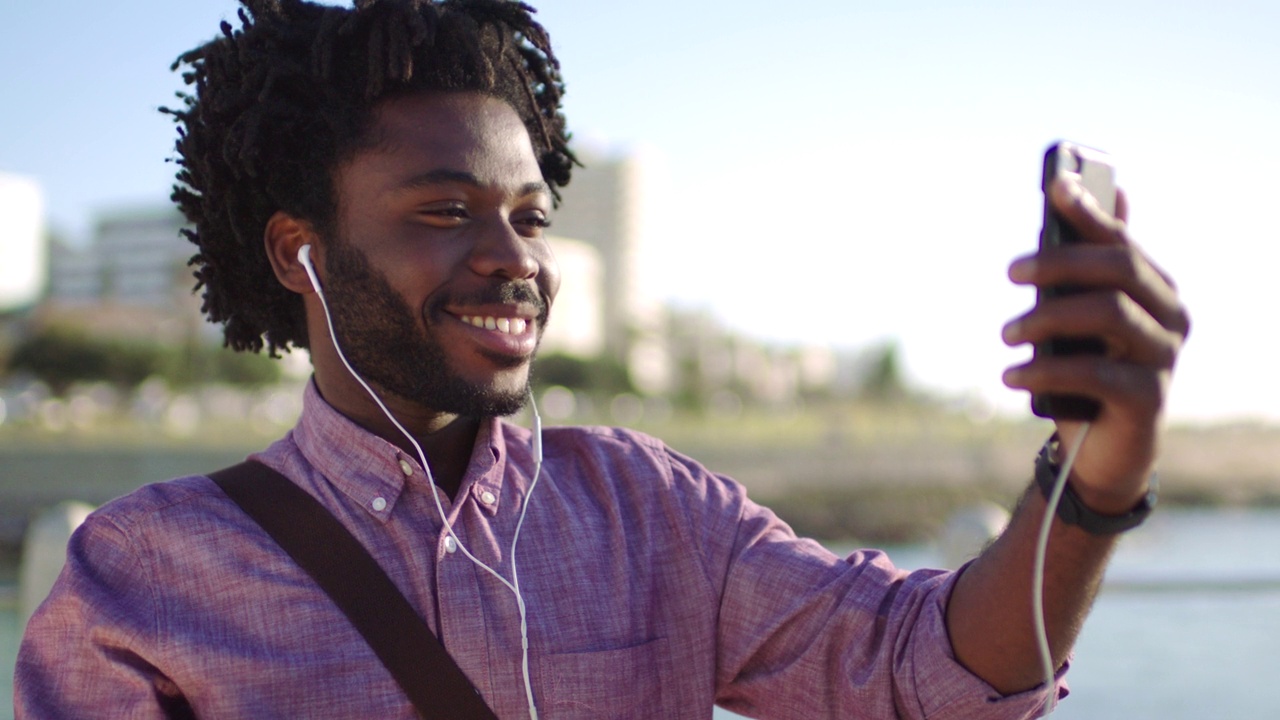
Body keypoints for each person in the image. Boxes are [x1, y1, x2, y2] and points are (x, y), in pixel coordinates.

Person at [14, 1, 1189, 718]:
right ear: (296, 250)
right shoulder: (142, 574)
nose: (510, 258)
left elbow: (923, 680)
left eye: (528, 215)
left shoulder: (649, 509)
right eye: (444, 212)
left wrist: (1088, 477)